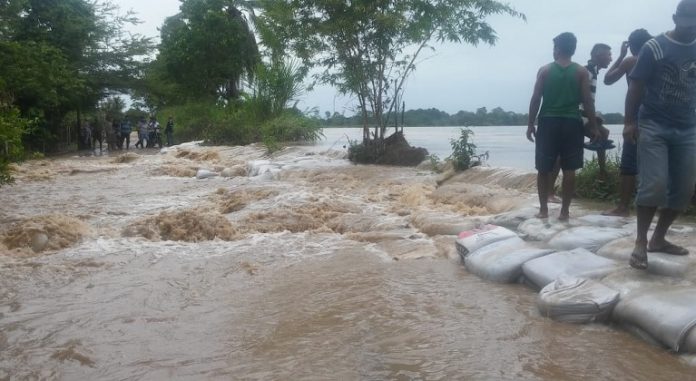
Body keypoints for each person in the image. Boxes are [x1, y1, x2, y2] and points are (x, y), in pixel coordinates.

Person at [626, 0, 696, 269]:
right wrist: (630, 122)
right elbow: (636, 85)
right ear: (675, 19)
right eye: (686, 24)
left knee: (684, 189)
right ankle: (641, 242)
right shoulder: (654, 47)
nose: (690, 30)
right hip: (654, 123)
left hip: (688, 126)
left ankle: (659, 238)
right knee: (654, 184)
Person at [527, 32, 600, 221]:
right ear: (573, 50)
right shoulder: (581, 72)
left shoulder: (544, 70)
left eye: (554, 48)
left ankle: (543, 210)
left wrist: (530, 124)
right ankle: (564, 212)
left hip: (548, 122)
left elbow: (536, 99)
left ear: (557, 49)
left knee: (543, 168)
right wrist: (593, 126)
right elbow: (587, 101)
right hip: (571, 123)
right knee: (570, 169)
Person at [547, 43, 614, 202]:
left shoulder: (592, 71)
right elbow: (580, 98)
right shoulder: (587, 71)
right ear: (598, 55)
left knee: (601, 134)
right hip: (576, 116)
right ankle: (551, 192)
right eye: (608, 55)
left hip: (579, 115)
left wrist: (594, 116)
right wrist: (591, 118)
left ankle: (598, 173)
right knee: (563, 154)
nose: (610, 58)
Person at [602, 29, 653, 217]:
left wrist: (622, 55)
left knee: (629, 164)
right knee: (654, 163)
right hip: (658, 116)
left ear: (632, 45)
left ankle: (623, 207)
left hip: (638, 116)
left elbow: (608, 80)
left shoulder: (632, 60)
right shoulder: (658, 60)